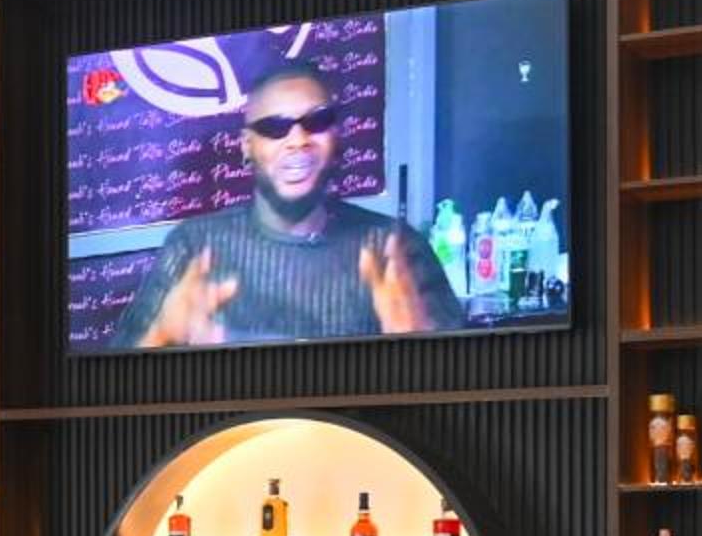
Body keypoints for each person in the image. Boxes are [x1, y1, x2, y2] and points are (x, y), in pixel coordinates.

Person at [111, 58, 466, 349]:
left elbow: (465, 383)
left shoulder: (393, 248)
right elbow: (115, 385)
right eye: (274, 128)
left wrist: (416, 342)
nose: (298, 140)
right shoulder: (194, 247)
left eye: (317, 121)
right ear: (247, 146)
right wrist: (162, 336)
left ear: (337, 135)